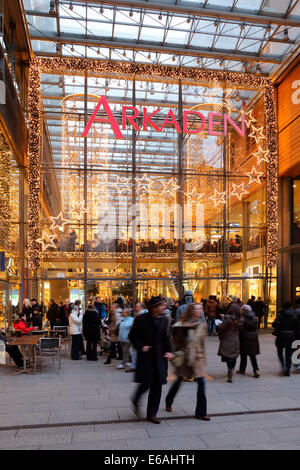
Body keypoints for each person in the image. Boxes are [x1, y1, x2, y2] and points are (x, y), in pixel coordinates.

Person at [129, 296, 173, 424]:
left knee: (157, 386)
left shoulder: (164, 319)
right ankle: (136, 400)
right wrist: (141, 346)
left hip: (159, 357)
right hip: (146, 356)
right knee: (146, 384)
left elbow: (165, 337)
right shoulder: (141, 319)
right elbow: (133, 336)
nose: (164, 307)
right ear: (153, 308)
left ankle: (152, 414)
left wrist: (169, 351)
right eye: (161, 305)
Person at [165, 303, 210, 421]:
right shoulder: (182, 326)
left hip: (198, 358)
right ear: (191, 311)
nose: (200, 310)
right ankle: (169, 400)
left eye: (201, 308)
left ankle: (201, 412)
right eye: (197, 309)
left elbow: (202, 344)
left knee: (202, 383)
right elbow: (176, 342)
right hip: (185, 357)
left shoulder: (202, 325)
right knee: (179, 380)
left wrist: (204, 358)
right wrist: (174, 354)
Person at [217, 303, 241, 383]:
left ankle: (229, 369)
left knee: (227, 355)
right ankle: (232, 369)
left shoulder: (227, 318)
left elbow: (222, 327)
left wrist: (219, 325)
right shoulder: (239, 319)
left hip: (227, 338)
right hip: (236, 339)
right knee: (234, 355)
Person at [272, 302, 297, 376]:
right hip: (291, 336)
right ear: (290, 307)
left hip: (281, 335)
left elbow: (274, 325)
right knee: (288, 353)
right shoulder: (293, 315)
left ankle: (283, 366)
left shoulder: (280, 314)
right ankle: (288, 369)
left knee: (280, 351)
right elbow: (296, 326)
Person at [237, 305, 260, 378]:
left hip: (244, 337)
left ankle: (242, 369)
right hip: (253, 337)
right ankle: (256, 370)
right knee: (253, 355)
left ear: (244, 310)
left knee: (243, 355)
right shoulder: (254, 317)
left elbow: (240, 327)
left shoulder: (242, 317)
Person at [126, 302, 148, 373]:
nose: (135, 308)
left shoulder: (141, 314)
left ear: (141, 307)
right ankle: (135, 365)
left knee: (134, 351)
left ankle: (134, 366)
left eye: (137, 306)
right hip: (140, 336)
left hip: (139, 336)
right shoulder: (141, 314)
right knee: (135, 351)